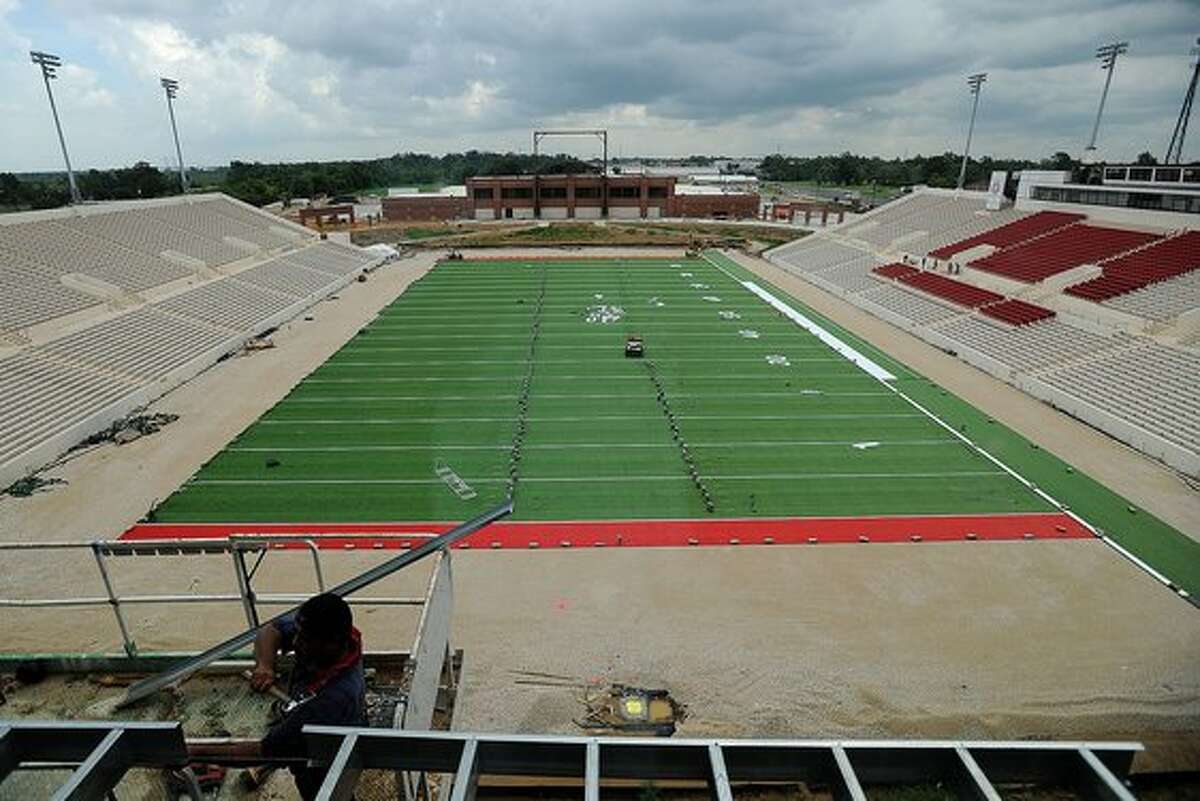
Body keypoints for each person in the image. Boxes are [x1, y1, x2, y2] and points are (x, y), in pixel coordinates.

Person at [188, 593, 367, 800]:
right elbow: (272, 630)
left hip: (323, 758)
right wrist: (265, 665)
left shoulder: (332, 699)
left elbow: (262, 751)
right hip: (309, 718)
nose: (296, 641)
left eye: (306, 639)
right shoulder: (340, 638)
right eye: (298, 633)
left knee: (324, 791)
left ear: (332, 643)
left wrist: (191, 751)